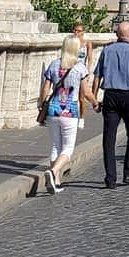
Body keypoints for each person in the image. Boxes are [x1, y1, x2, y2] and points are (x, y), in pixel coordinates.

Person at [92, 20, 129, 188]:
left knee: (109, 137)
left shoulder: (107, 51)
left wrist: (95, 98)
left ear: (117, 34)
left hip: (110, 96)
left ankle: (110, 178)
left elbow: (97, 76)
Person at [39, 35, 92, 193]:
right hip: (70, 111)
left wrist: (41, 105)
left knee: (56, 145)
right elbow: (86, 93)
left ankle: (56, 182)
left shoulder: (54, 64)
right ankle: (54, 172)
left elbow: (45, 87)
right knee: (68, 149)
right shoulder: (80, 67)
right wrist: (96, 103)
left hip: (53, 110)